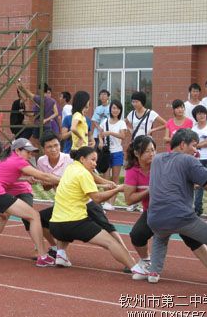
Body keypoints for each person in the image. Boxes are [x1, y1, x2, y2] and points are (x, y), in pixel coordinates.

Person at [144, 129, 207, 291]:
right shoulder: (188, 160)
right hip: (180, 217)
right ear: (183, 144)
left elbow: (206, 184)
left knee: (160, 236)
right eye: (193, 146)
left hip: (154, 218)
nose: (195, 150)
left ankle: (154, 272)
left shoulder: (157, 159)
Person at [124, 135, 207, 285]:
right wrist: (152, 189)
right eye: (147, 151)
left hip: (178, 209)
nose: (152, 154)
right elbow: (129, 199)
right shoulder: (132, 171)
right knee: (137, 234)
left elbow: (200, 181)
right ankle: (146, 262)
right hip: (154, 212)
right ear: (137, 154)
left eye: (153, 150)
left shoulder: (164, 163)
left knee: (193, 238)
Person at [48, 146, 149, 278]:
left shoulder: (71, 168)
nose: (95, 164)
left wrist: (106, 182)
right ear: (82, 159)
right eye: (93, 160)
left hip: (55, 227)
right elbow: (97, 198)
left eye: (96, 160)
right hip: (75, 223)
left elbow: (92, 175)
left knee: (60, 222)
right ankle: (136, 269)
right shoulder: (83, 174)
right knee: (110, 242)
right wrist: (117, 189)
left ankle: (61, 254)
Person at [36, 131, 129, 268]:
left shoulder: (70, 160)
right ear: (44, 149)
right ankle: (59, 251)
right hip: (65, 203)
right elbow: (45, 188)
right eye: (49, 147)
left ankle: (127, 256)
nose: (54, 149)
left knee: (108, 228)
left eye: (56, 145)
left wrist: (107, 183)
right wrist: (50, 181)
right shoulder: (41, 162)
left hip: (86, 201)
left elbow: (90, 173)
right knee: (41, 219)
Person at [0, 138, 61, 266]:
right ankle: (43, 256)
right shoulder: (18, 160)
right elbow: (44, 176)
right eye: (27, 152)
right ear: (17, 150)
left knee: (3, 215)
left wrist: (25, 178)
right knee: (34, 216)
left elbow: (6, 178)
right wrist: (64, 180)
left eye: (31, 153)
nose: (30, 155)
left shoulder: (4, 159)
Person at [98, 100, 127, 209]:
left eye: (118, 108)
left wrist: (110, 133)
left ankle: (112, 203)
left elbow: (123, 136)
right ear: (110, 109)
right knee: (106, 178)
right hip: (106, 153)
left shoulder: (121, 123)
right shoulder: (105, 121)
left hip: (117, 152)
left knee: (115, 179)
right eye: (114, 108)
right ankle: (106, 201)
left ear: (120, 110)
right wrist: (100, 141)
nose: (115, 110)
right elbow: (100, 135)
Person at [191, 105, 207, 217]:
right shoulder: (193, 129)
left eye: (203, 113)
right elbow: (192, 144)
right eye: (198, 114)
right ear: (195, 116)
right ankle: (198, 209)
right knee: (198, 184)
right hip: (197, 159)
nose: (201, 115)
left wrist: (197, 145)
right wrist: (201, 144)